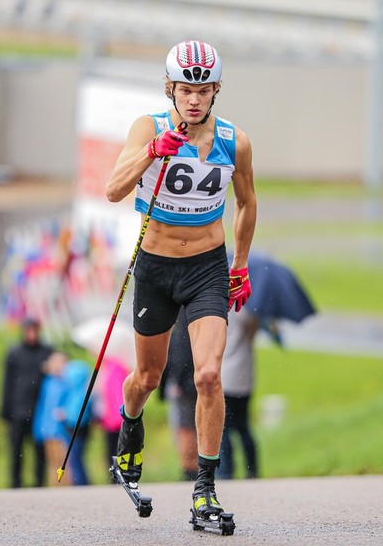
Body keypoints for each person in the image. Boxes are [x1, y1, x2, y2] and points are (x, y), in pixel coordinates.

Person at [105, 39, 257, 520]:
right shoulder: (148, 127)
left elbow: (248, 202)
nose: (194, 99)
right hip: (155, 268)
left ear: (215, 92)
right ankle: (131, 429)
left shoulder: (236, 141)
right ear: (169, 88)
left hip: (207, 269)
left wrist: (241, 264)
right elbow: (113, 189)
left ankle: (205, 488)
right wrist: (152, 152)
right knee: (146, 378)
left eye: (204, 90)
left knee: (209, 375)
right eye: (186, 89)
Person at [0, 318, 55, 488]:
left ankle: (39, 482)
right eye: (28, 330)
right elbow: (7, 383)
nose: (31, 334)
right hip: (18, 411)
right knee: (16, 450)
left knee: (40, 451)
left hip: (40, 411)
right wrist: (5, 409)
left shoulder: (47, 352)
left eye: (34, 330)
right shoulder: (15, 353)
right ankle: (15, 483)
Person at [32, 351, 94, 486]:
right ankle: (56, 487)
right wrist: (40, 429)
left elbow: (71, 406)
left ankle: (70, 487)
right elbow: (44, 408)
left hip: (63, 430)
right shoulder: (48, 382)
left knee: (66, 461)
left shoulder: (68, 383)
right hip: (48, 429)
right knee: (52, 462)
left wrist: (64, 415)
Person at [217, 307, 261, 480]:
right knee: (243, 426)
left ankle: (226, 471)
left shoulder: (223, 311)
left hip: (226, 375)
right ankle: (252, 468)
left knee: (225, 427)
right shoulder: (251, 315)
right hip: (244, 377)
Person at [161, 306, 199, 480]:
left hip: (183, 384)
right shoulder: (198, 315)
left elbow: (179, 352)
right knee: (196, 425)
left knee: (184, 428)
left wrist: (176, 379)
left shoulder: (181, 320)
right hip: (197, 379)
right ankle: (199, 465)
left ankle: (189, 468)